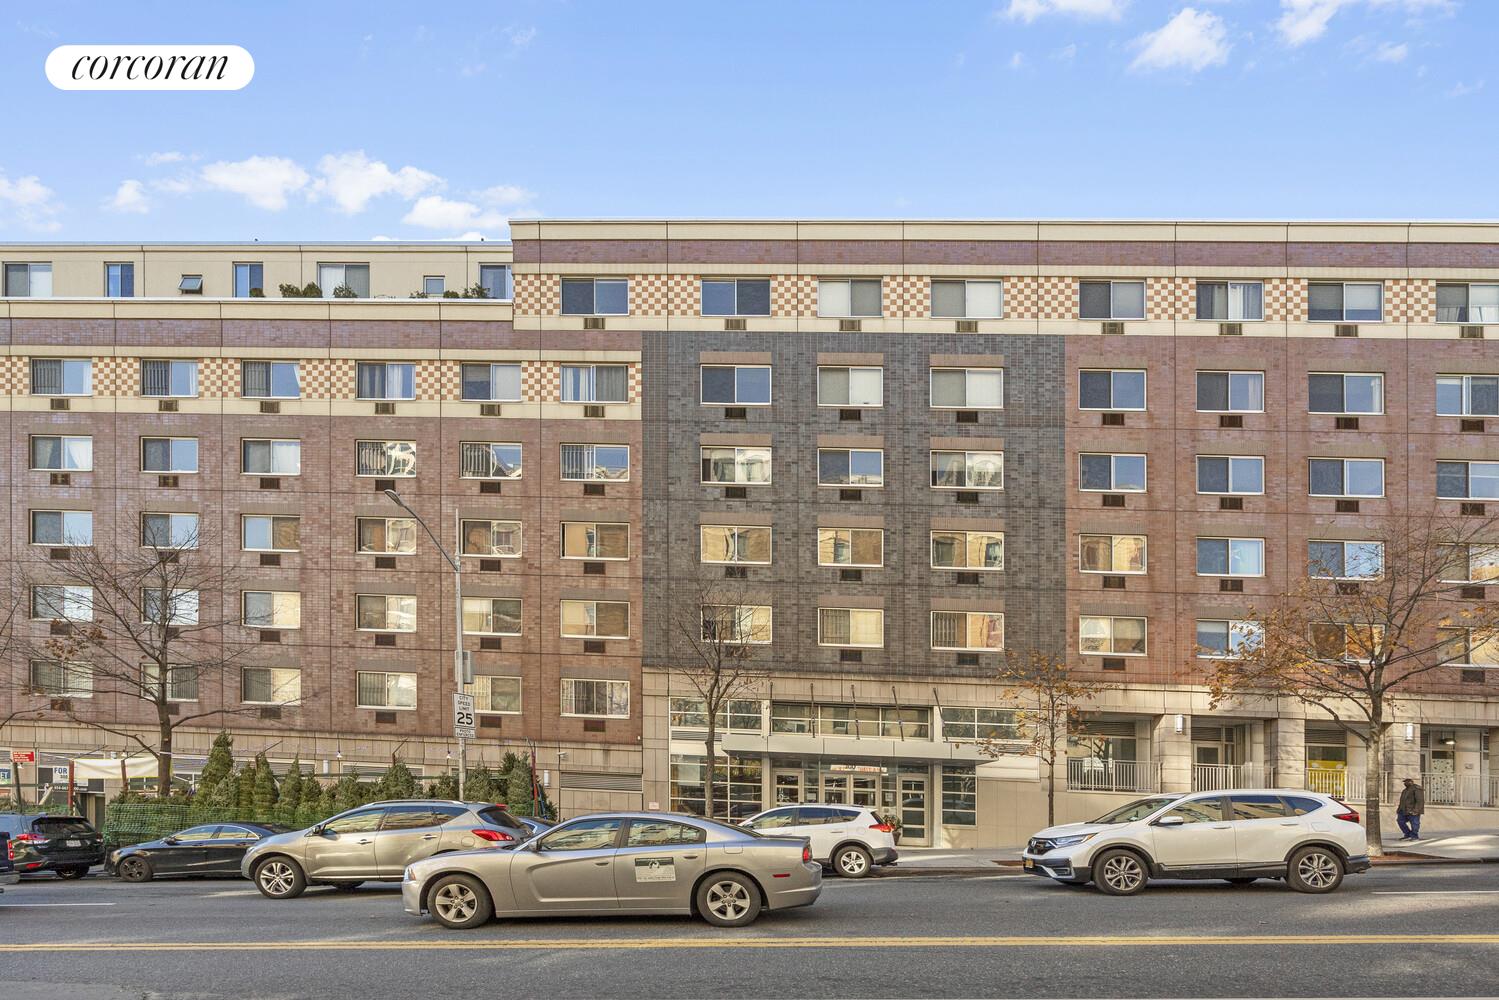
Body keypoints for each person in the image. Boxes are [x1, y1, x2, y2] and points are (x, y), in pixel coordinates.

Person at [1396, 777, 1425, 842]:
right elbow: (1402, 801)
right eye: (1404, 782)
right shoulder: (1405, 790)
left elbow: (1420, 801)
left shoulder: (1417, 789)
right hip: (1403, 810)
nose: (1405, 783)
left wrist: (1416, 810)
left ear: (1411, 782)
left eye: (1406, 782)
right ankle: (1408, 834)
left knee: (1415, 824)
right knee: (1400, 821)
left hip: (1413, 810)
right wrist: (1399, 809)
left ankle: (1415, 836)